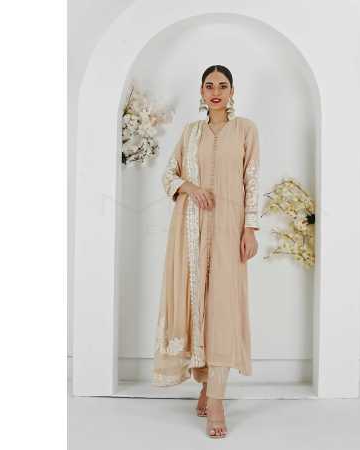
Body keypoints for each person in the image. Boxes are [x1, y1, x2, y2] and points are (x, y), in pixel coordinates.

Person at [152, 65, 260, 438]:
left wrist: (250, 228)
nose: (216, 91)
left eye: (223, 86)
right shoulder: (190, 132)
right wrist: (191, 188)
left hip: (230, 229)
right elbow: (169, 175)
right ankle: (206, 384)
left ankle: (216, 398)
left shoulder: (246, 129)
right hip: (192, 231)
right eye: (209, 85)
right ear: (201, 91)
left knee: (223, 310)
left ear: (232, 91)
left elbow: (252, 178)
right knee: (197, 306)